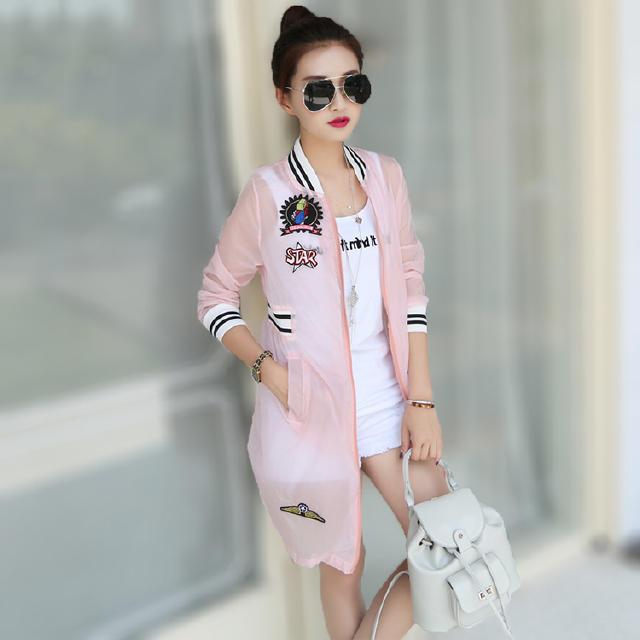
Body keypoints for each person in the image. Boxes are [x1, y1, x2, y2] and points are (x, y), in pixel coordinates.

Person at [197, 5, 450, 639]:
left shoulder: (385, 177)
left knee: (447, 545)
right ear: (284, 98)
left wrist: (421, 399)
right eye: (317, 90)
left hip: (389, 398)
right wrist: (271, 373)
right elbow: (215, 297)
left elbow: (410, 290)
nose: (338, 103)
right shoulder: (269, 194)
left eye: (351, 84)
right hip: (309, 411)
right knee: (343, 565)